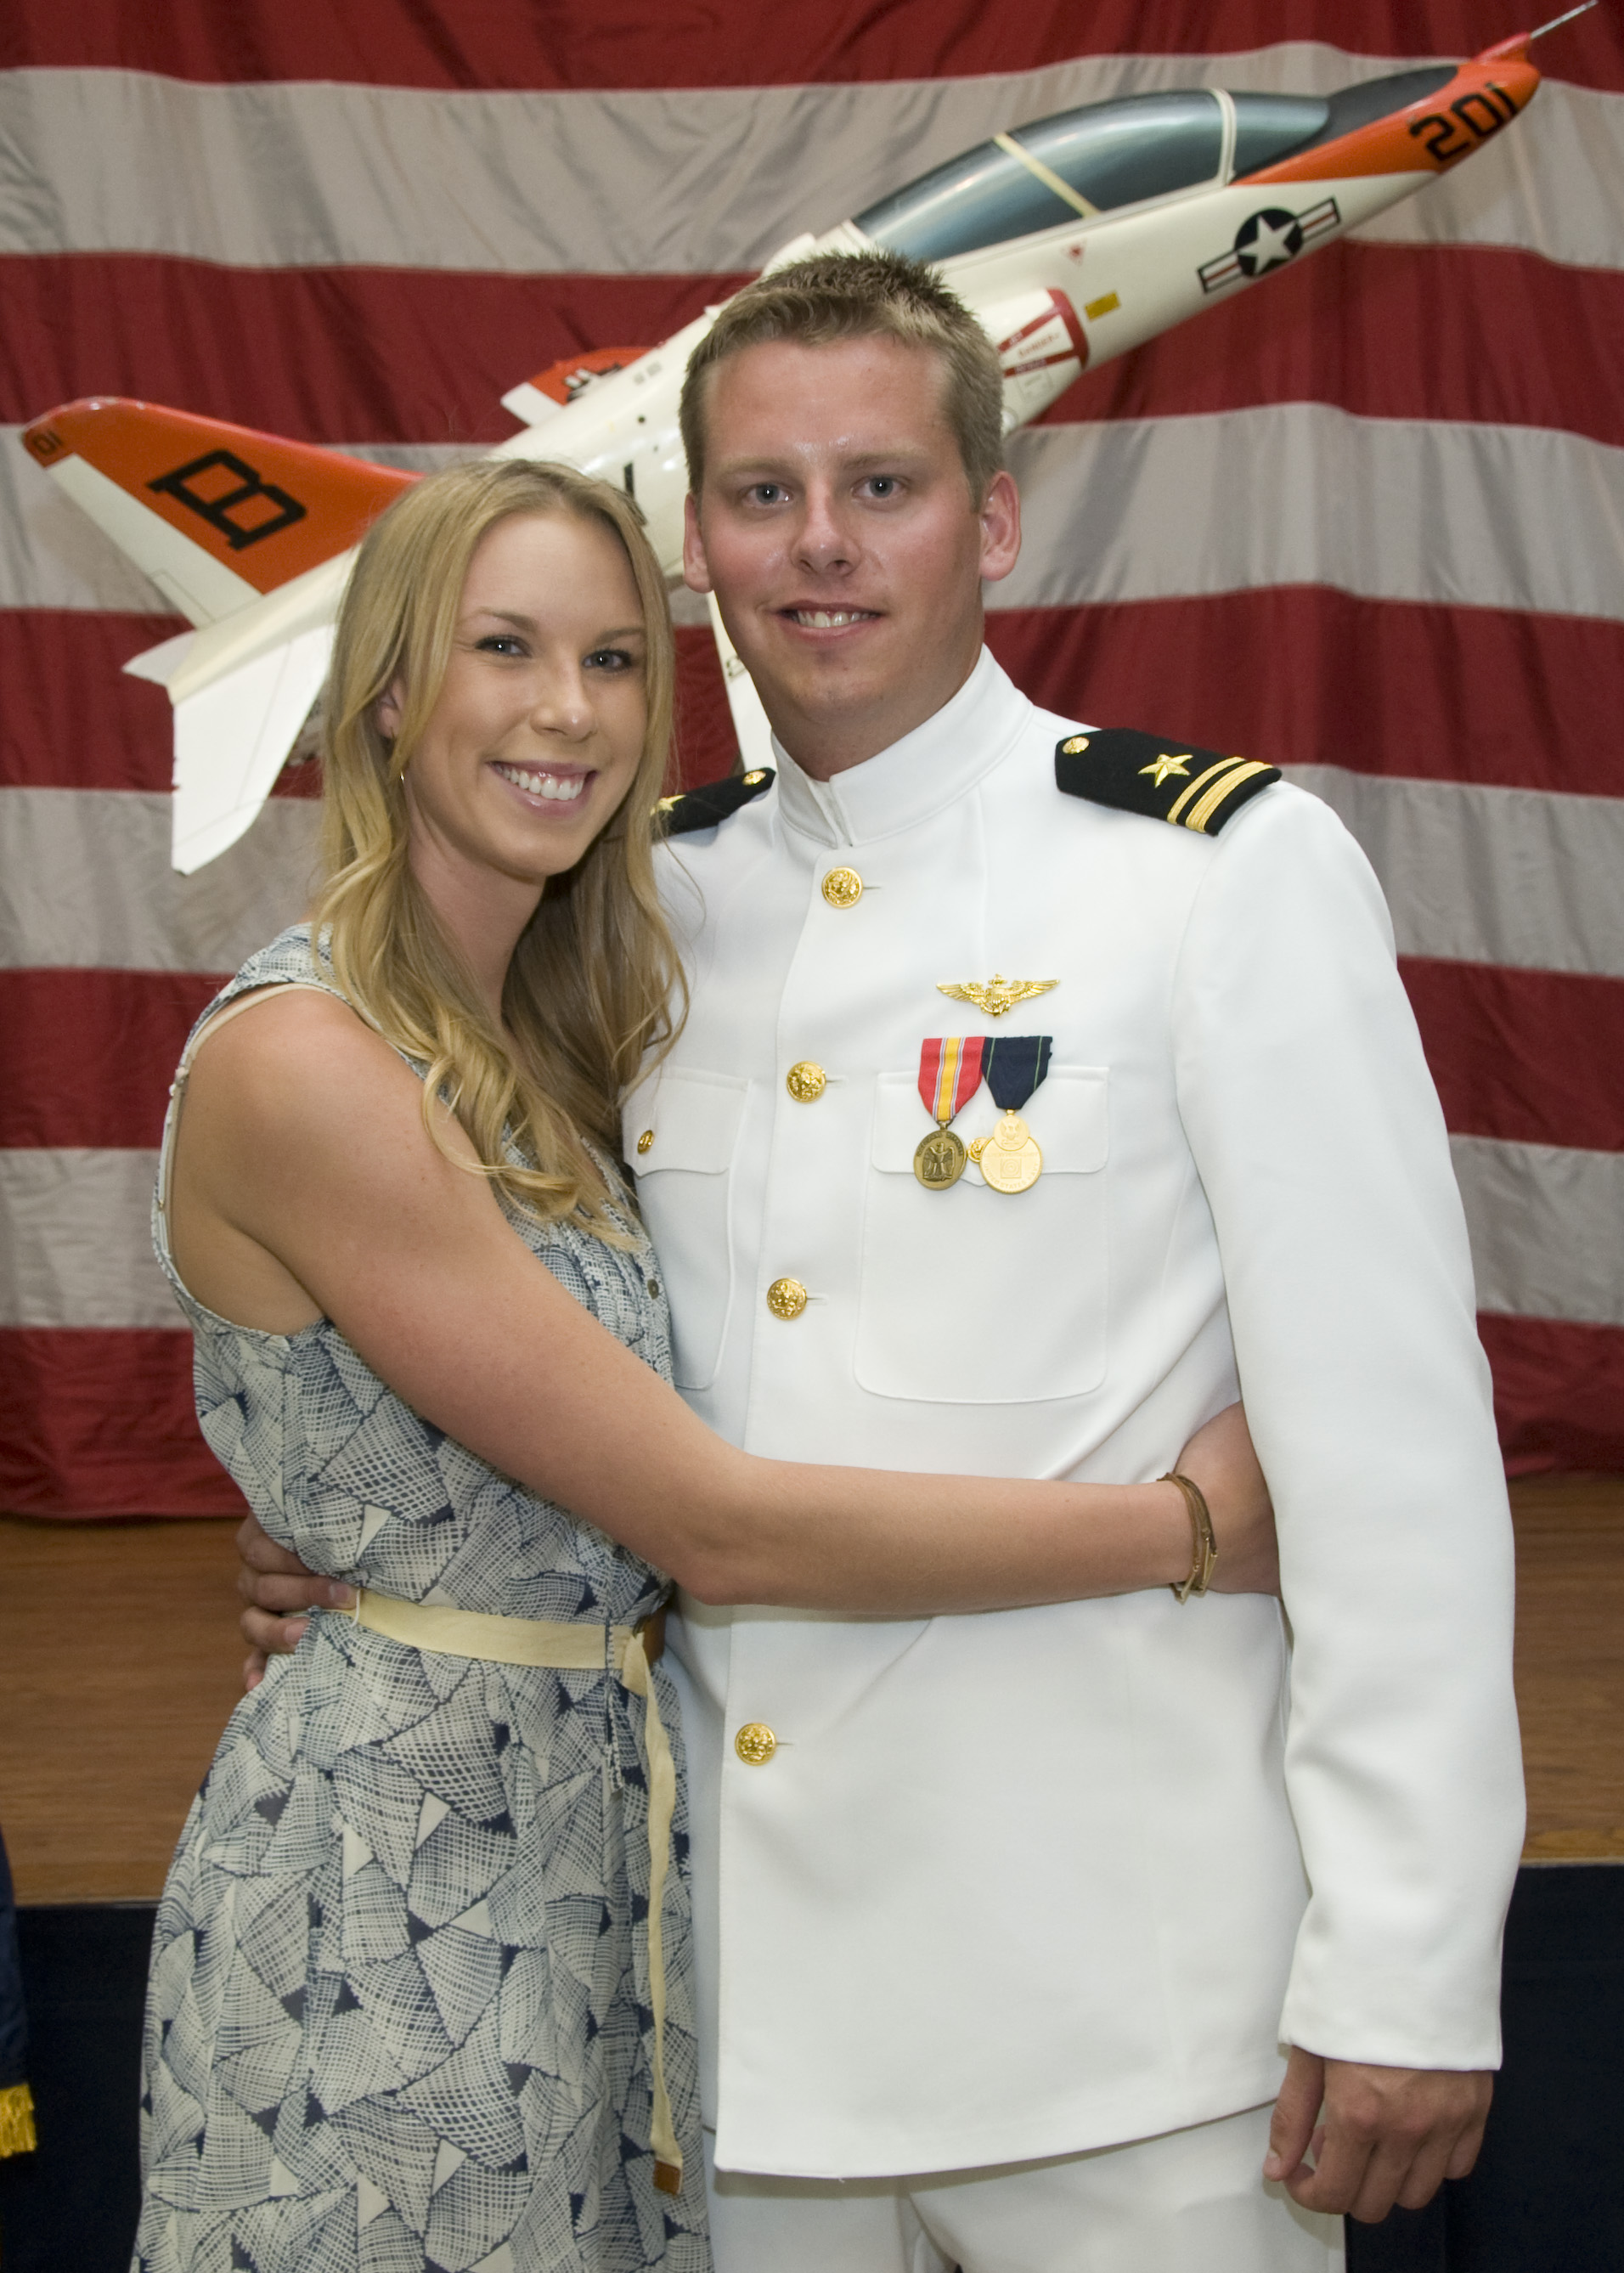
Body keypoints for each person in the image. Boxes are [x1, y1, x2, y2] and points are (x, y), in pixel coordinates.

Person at [240, 254, 1525, 2270]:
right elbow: (535, 1344)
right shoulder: (633, 909)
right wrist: (363, 1538)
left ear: (989, 520)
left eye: (881, 488)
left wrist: (1408, 1965)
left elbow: (1389, 1462)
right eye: (762, 495)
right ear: (697, 543)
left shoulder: (1211, 876)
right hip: (727, 2022)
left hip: (1127, 2012)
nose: (819, 545)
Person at [142, 452, 1281, 2273]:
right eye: (503, 647)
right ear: (386, 694)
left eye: (611, 660)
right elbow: (713, 1524)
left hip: (598, 1865)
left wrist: (354, 1540)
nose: (566, 710)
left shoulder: (548, 1042)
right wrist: (1187, 1526)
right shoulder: (313, 1061)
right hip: (390, 1890)